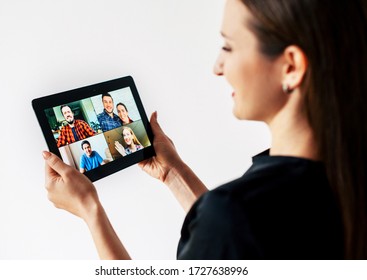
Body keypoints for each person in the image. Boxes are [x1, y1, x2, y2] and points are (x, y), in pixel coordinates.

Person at [43, 0, 367, 259]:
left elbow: (236, 229)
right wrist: (174, 172)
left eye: (228, 47)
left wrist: (90, 209)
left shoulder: (236, 214)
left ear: (291, 67)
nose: (217, 67)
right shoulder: (344, 178)